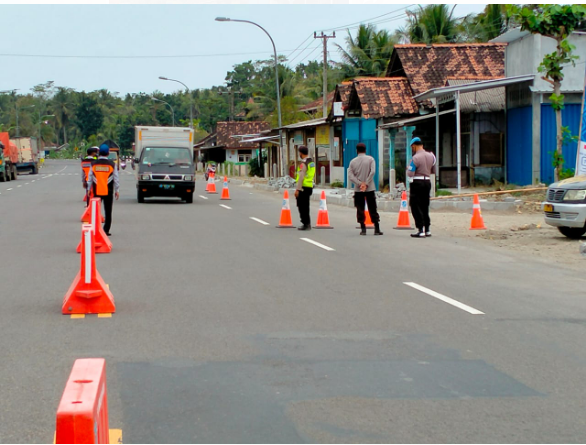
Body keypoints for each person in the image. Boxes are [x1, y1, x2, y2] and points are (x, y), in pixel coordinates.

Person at [348, 142, 383, 236]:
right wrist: (366, 183)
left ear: (356, 151)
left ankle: (363, 228)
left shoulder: (352, 162)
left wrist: (360, 183)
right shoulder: (371, 159)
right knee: (372, 207)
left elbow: (350, 176)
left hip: (358, 189)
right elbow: (373, 172)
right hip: (370, 188)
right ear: (365, 150)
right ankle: (377, 228)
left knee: (360, 208)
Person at [87, 144, 119, 236]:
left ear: (99, 153)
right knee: (108, 211)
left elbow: (90, 177)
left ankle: (96, 229)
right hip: (108, 191)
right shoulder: (112, 164)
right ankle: (106, 230)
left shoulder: (93, 164)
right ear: (108, 153)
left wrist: (89, 189)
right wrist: (117, 190)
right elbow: (116, 179)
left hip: (97, 190)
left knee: (96, 211)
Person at [407, 137, 436, 238]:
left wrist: (407, 169)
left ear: (413, 146)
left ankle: (420, 229)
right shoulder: (431, 156)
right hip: (427, 182)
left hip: (417, 182)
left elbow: (410, 173)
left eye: (412, 148)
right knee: (425, 205)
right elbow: (434, 170)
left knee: (415, 205)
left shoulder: (415, 158)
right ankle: (427, 229)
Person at [294, 145, 315, 230]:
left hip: (303, 187)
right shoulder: (311, 162)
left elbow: (301, 177)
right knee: (306, 206)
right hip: (309, 186)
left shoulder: (303, 163)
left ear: (301, 153)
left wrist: (297, 189)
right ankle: (307, 223)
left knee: (301, 206)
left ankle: (305, 223)